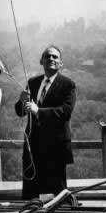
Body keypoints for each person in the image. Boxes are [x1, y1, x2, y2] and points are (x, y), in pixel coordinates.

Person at [15, 45, 76, 200]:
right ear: (41, 61)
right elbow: (20, 112)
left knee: (59, 193)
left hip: (55, 147)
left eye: (55, 57)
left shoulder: (67, 85)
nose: (51, 59)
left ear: (61, 63)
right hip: (33, 147)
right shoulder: (33, 82)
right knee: (30, 192)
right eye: (47, 56)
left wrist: (38, 111)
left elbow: (65, 112)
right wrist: (22, 102)